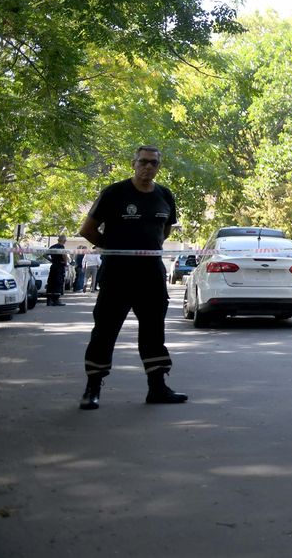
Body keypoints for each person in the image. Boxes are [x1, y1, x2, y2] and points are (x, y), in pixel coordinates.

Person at [77, 145, 187, 409]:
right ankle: (92, 388)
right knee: (105, 331)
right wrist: (113, 247)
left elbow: (165, 231)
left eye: (153, 163)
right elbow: (87, 230)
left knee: (154, 331)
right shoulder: (114, 193)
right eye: (143, 162)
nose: (148, 167)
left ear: (158, 167)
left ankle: (157, 387)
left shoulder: (165, 195)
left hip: (151, 275)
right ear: (133, 163)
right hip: (117, 274)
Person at [45, 236, 69, 306]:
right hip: (59, 266)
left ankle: (49, 300)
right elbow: (64, 255)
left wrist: (52, 260)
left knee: (51, 282)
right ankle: (56, 300)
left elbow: (45, 255)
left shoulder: (52, 247)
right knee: (58, 282)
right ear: (64, 241)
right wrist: (65, 263)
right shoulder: (61, 247)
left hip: (53, 266)